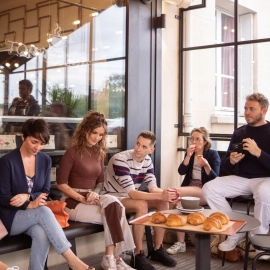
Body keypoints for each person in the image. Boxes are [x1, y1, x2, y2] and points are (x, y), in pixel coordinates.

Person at [0, 118, 91, 270]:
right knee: (43, 211)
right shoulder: (7, 162)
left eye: (42, 143)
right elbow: (2, 198)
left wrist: (28, 197)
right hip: (11, 217)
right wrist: (29, 204)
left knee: (41, 233)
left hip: (33, 215)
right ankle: (72, 260)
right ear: (23, 137)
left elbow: (45, 190)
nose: (38, 147)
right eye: (34, 142)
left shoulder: (45, 160)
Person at [57, 111, 135, 270]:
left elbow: (100, 182)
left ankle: (110, 257)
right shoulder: (71, 152)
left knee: (115, 205)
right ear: (85, 129)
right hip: (72, 202)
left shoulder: (99, 153)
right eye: (94, 132)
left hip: (93, 198)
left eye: (101, 134)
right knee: (116, 212)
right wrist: (81, 198)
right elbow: (61, 184)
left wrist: (95, 193)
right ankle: (115, 258)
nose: (97, 137)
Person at [202, 93, 270, 253]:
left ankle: (259, 240)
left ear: (264, 110)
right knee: (209, 188)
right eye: (246, 108)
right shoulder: (239, 132)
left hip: (265, 179)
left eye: (252, 109)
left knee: (263, 192)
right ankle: (237, 229)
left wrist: (258, 152)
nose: (247, 112)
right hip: (241, 178)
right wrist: (231, 161)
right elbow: (225, 165)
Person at [103, 131, 178, 270]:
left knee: (163, 202)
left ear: (151, 150)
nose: (138, 149)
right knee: (141, 204)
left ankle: (157, 249)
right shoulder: (120, 159)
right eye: (138, 143)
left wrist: (169, 194)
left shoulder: (147, 161)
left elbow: (153, 188)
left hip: (129, 196)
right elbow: (132, 193)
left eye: (144, 146)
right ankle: (137, 255)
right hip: (113, 197)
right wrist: (161, 195)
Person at [166, 127, 221, 255]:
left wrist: (206, 165)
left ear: (205, 141)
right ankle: (181, 243)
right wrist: (188, 156)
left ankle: (161, 229)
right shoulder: (190, 154)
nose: (194, 142)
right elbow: (181, 171)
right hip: (190, 189)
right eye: (192, 139)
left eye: (198, 139)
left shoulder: (213, 154)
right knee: (177, 203)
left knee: (173, 192)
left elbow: (216, 180)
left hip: (205, 190)